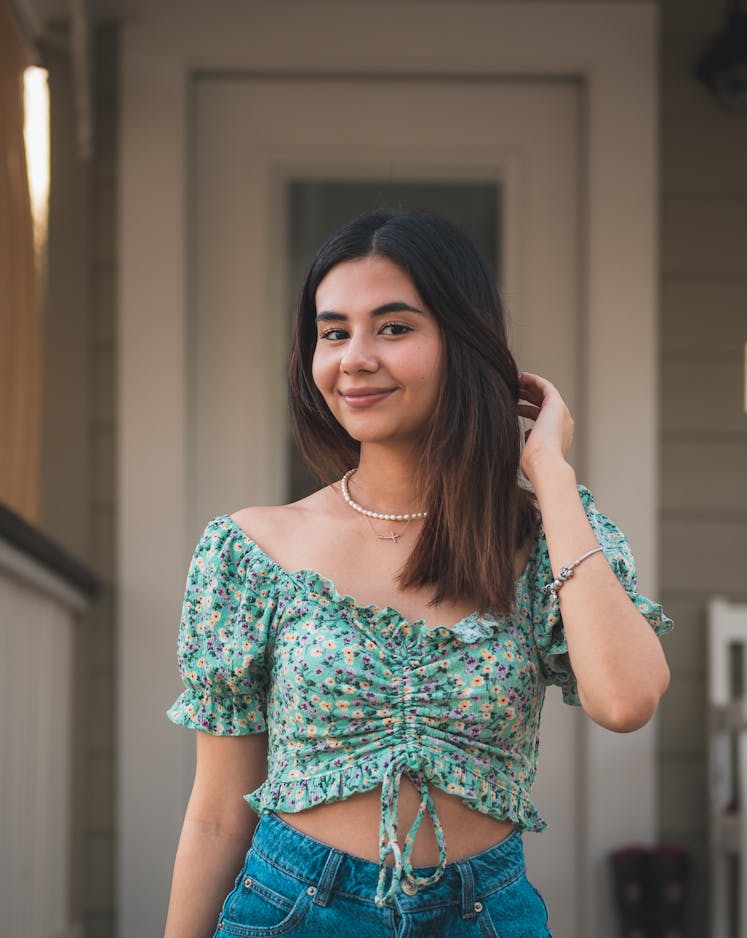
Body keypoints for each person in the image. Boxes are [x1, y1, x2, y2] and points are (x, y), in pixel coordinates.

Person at [164, 210, 673, 938]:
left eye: (394, 327)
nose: (355, 357)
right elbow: (216, 815)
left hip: (485, 915)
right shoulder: (250, 552)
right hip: (292, 911)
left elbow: (625, 700)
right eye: (333, 332)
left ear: (461, 344)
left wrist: (550, 474)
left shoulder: (542, 540)